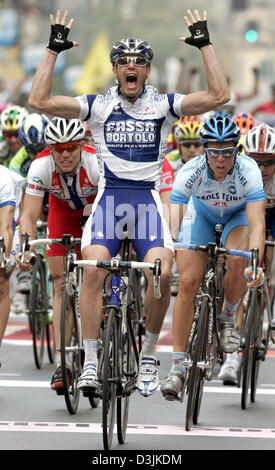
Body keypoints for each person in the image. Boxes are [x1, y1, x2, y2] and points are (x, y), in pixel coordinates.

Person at [27, 8, 230, 397]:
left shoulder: (163, 105)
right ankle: (88, 362)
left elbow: (221, 95)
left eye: (139, 62)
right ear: (115, 70)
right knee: (91, 270)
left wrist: (205, 44)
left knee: (162, 272)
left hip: (147, 204)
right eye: (123, 62)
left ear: (148, 71)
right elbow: (40, 99)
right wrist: (53, 50)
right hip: (110, 201)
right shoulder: (99, 106)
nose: (131, 68)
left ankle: (150, 355)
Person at [160, 114, 266, 400]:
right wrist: (171, 253)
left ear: (237, 150)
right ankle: (178, 368)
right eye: (214, 151)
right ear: (205, 150)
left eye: (228, 151)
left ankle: (229, 317)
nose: (221, 159)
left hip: (237, 217)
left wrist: (254, 263)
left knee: (238, 260)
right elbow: (175, 222)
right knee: (188, 283)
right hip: (201, 216)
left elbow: (257, 223)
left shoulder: (249, 170)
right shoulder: (191, 171)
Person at [16, 117, 98, 393]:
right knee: (61, 283)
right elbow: (28, 215)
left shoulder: (95, 164)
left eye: (72, 147)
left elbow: (110, 210)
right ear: (50, 148)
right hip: (61, 213)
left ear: (82, 146)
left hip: (96, 211)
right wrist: (25, 248)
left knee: (96, 275)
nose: (65, 154)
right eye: (58, 148)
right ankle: (63, 362)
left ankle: (104, 337)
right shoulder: (41, 166)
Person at [217, 122, 275, 385]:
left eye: (269, 163)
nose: (262, 170)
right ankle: (232, 356)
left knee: (266, 263)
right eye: (256, 162)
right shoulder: (235, 174)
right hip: (243, 219)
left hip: (271, 220)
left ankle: (266, 296)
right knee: (238, 271)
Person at [0, 166, 25, 365]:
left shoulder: (4, 181)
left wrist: (3, 258)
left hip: (6, 221)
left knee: (1, 281)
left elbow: (6, 227)